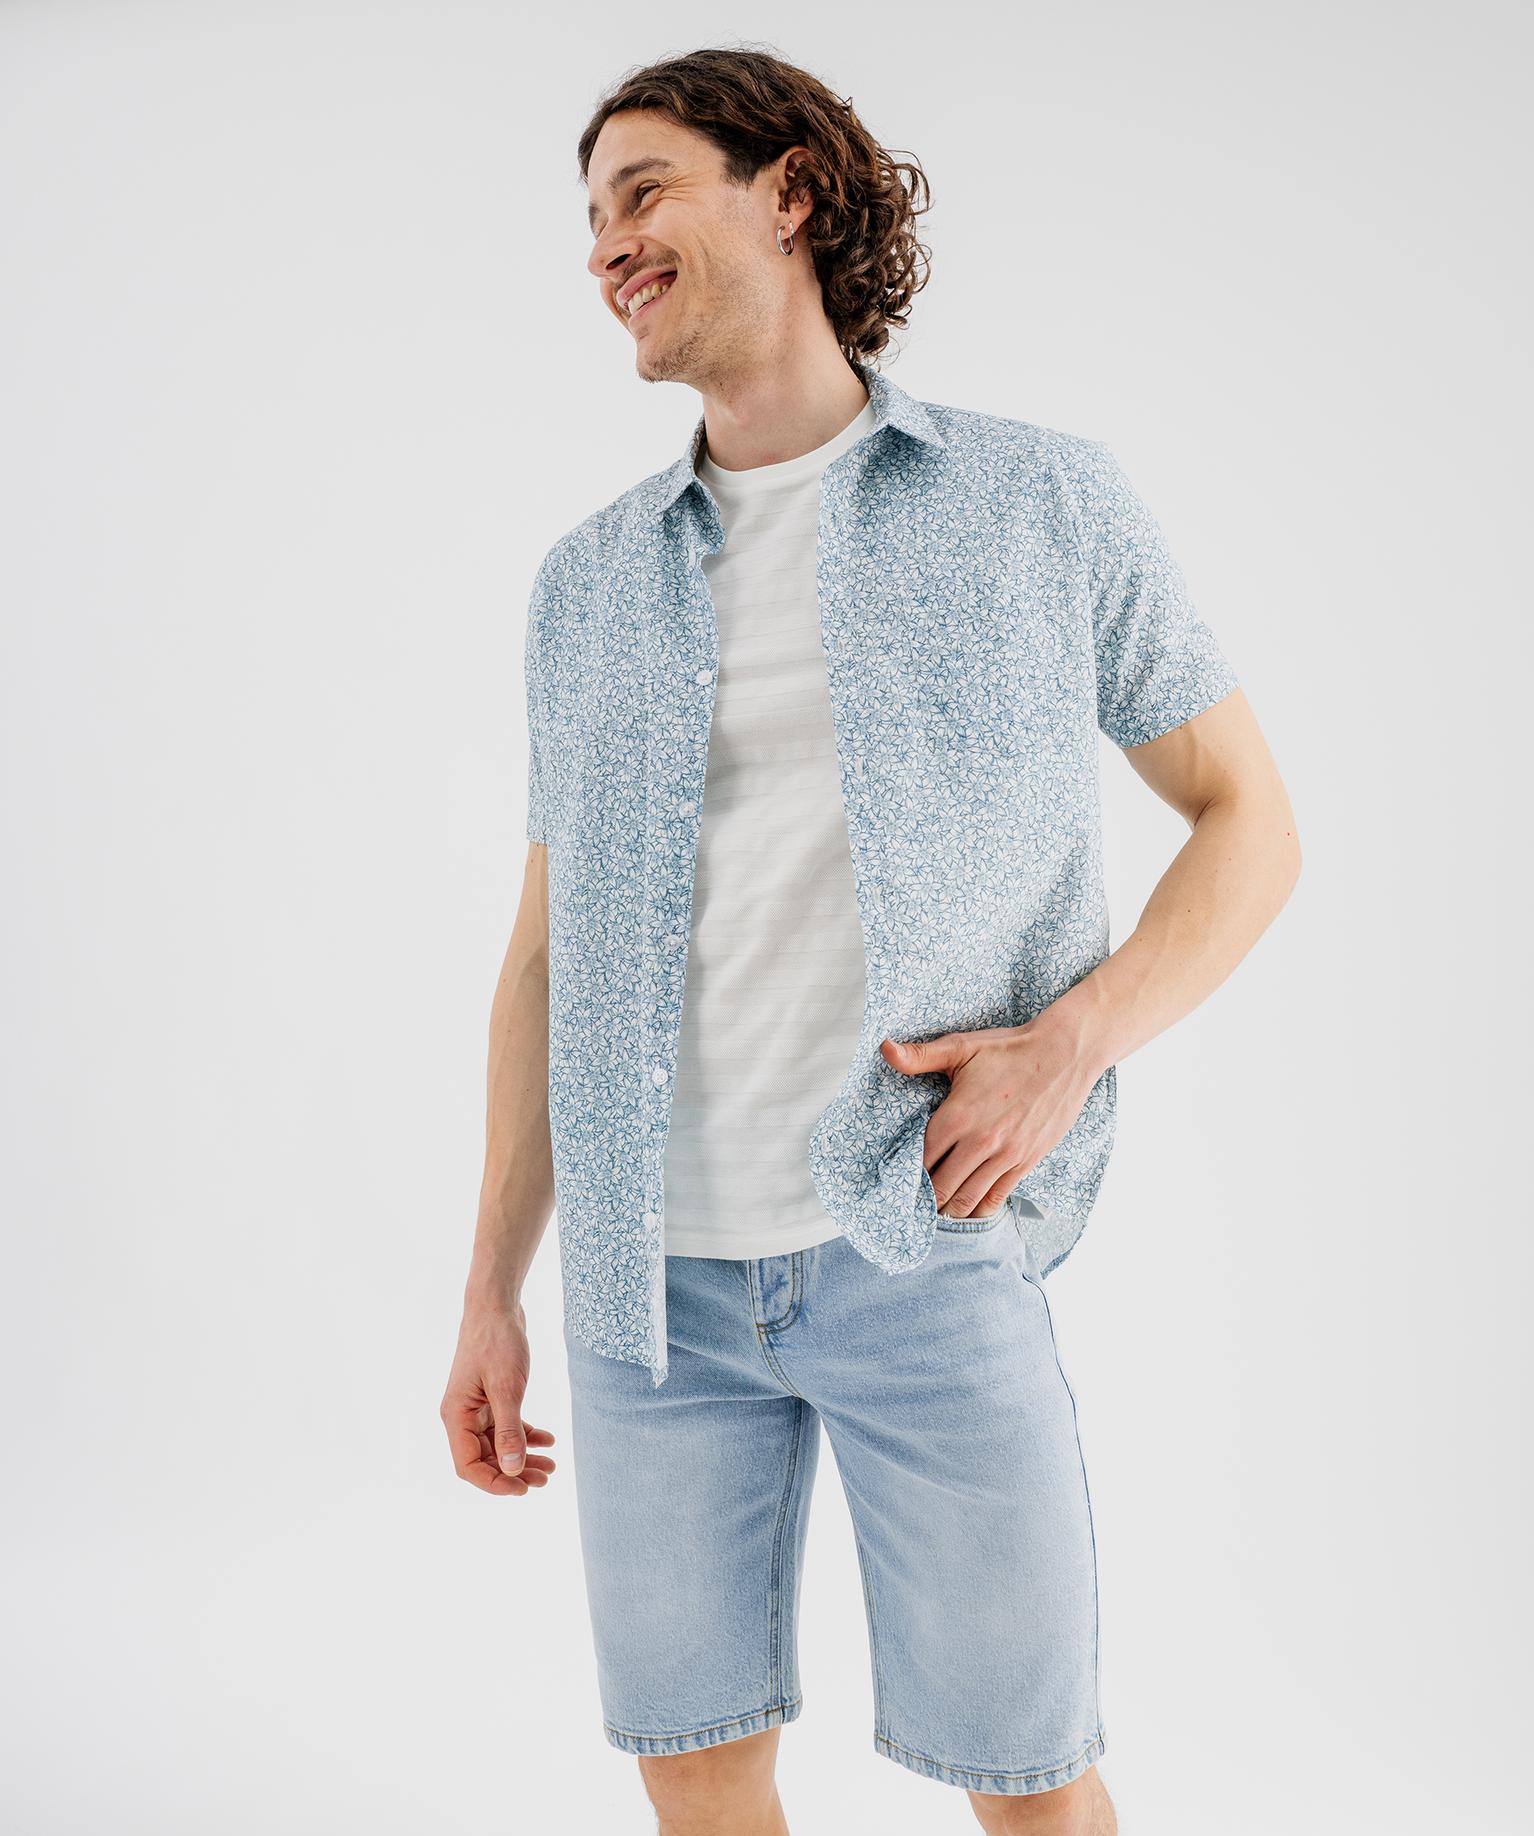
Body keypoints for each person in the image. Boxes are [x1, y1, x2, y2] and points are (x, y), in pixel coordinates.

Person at [441, 45, 1300, 1836]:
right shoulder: (584, 584)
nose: (605, 245)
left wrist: (1069, 1044)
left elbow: (1248, 821)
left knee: (1029, 1781)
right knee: (696, 1782)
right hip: (646, 1295)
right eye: (588, 218)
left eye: (644, 191)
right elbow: (541, 956)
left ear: (793, 194)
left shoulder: (1040, 502)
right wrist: (489, 1291)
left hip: (920, 1243)